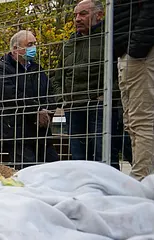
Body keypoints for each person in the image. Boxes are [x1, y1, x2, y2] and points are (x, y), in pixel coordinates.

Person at [51, 0, 131, 170]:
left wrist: (109, 95)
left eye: (83, 14)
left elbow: (122, 72)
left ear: (99, 15)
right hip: (74, 110)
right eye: (75, 15)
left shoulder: (110, 39)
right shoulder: (69, 44)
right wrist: (62, 99)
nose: (77, 19)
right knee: (79, 161)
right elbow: (56, 77)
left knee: (104, 159)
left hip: (100, 107)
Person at [0, 30, 59, 170]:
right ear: (15, 48)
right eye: (29, 44)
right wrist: (36, 110)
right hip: (15, 131)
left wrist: (46, 111)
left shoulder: (37, 70)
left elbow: (51, 92)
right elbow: (11, 96)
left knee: (53, 168)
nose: (33, 48)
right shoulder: (1, 70)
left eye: (34, 44)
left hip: (40, 130)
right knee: (28, 170)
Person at [114, 0, 154, 179]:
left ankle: (142, 180)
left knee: (144, 119)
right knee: (132, 122)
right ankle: (143, 178)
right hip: (132, 50)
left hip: (143, 51)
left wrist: (137, 47)